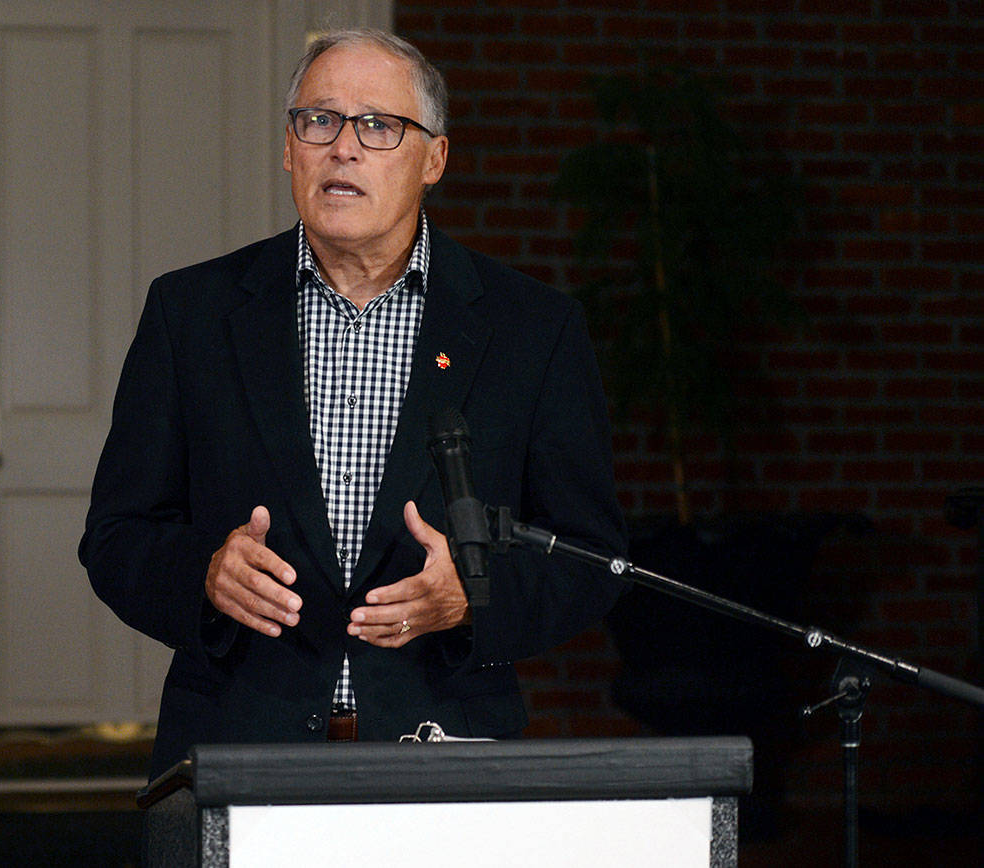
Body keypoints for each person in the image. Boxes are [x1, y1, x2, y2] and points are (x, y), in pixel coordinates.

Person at [79, 28, 627, 781]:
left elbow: (592, 558)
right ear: (288, 148)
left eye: (378, 125)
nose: (343, 147)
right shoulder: (192, 313)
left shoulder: (530, 329)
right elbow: (116, 537)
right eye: (319, 120)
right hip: (236, 752)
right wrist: (204, 574)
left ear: (434, 158)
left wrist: (471, 600)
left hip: (444, 755)